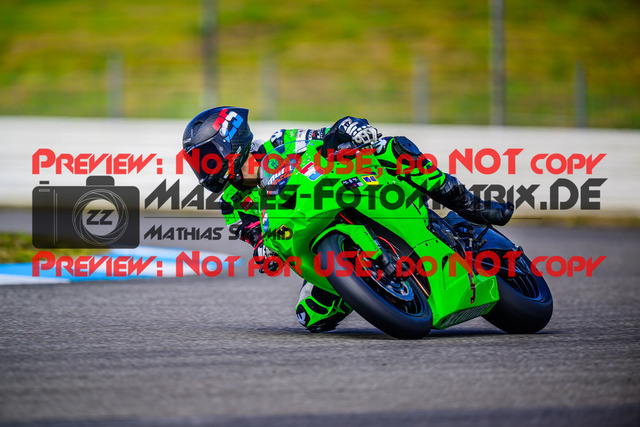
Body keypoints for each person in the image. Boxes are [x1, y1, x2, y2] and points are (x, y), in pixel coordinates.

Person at [182, 106, 514, 333]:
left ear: (231, 142)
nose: (204, 168)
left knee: (389, 147)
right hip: (309, 238)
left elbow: (328, 134)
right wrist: (263, 252)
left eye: (207, 156)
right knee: (310, 316)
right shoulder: (232, 204)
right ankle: (370, 284)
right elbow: (257, 237)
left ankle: (469, 205)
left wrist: (352, 129)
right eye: (198, 161)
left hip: (352, 190)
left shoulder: (281, 143)